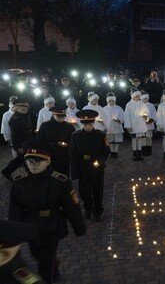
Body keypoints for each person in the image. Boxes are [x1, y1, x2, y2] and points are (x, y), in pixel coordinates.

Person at [8, 139, 86, 282]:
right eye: (29, 161)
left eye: (38, 161)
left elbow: (72, 206)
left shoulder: (60, 181)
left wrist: (79, 227)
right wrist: (14, 231)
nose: (33, 165)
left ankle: (47, 276)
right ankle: (54, 267)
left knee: (44, 265)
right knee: (36, 254)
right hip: (31, 225)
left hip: (52, 225)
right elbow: (15, 207)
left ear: (48, 162)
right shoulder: (20, 181)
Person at [70, 109, 111, 222]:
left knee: (98, 191)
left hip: (97, 168)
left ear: (93, 123)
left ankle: (97, 212)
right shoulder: (76, 136)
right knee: (84, 191)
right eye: (85, 124)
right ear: (82, 124)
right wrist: (74, 171)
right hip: (83, 168)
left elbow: (106, 151)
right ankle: (87, 208)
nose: (87, 126)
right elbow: (73, 155)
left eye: (89, 124)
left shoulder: (101, 135)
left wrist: (99, 161)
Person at [37, 106, 75, 175]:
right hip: (50, 155)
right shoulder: (45, 126)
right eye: (59, 116)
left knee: (64, 175)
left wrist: (68, 144)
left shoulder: (69, 126)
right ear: (53, 115)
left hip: (65, 156)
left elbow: (73, 140)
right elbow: (40, 141)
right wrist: (55, 144)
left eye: (63, 116)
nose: (61, 118)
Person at [124, 88, 149, 161]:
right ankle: (135, 154)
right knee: (134, 140)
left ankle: (140, 153)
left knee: (140, 140)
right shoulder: (129, 104)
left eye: (139, 96)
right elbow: (126, 116)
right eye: (137, 96)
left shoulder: (142, 103)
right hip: (133, 125)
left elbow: (146, 111)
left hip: (140, 124)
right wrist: (128, 126)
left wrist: (145, 115)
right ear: (132, 96)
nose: (138, 97)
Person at [103, 93, 125, 159]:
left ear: (115, 101)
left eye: (113, 101)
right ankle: (111, 152)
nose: (111, 102)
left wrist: (119, 120)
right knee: (110, 141)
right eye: (110, 101)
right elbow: (102, 117)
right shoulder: (104, 109)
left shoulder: (119, 108)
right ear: (107, 101)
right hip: (108, 127)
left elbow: (123, 116)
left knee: (116, 141)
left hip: (116, 126)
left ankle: (115, 152)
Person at [141, 91, 156, 156]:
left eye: (146, 98)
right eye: (144, 98)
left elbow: (154, 114)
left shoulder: (151, 105)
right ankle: (143, 150)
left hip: (149, 124)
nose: (145, 100)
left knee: (149, 137)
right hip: (141, 125)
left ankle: (149, 150)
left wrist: (150, 120)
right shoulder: (139, 105)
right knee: (143, 137)